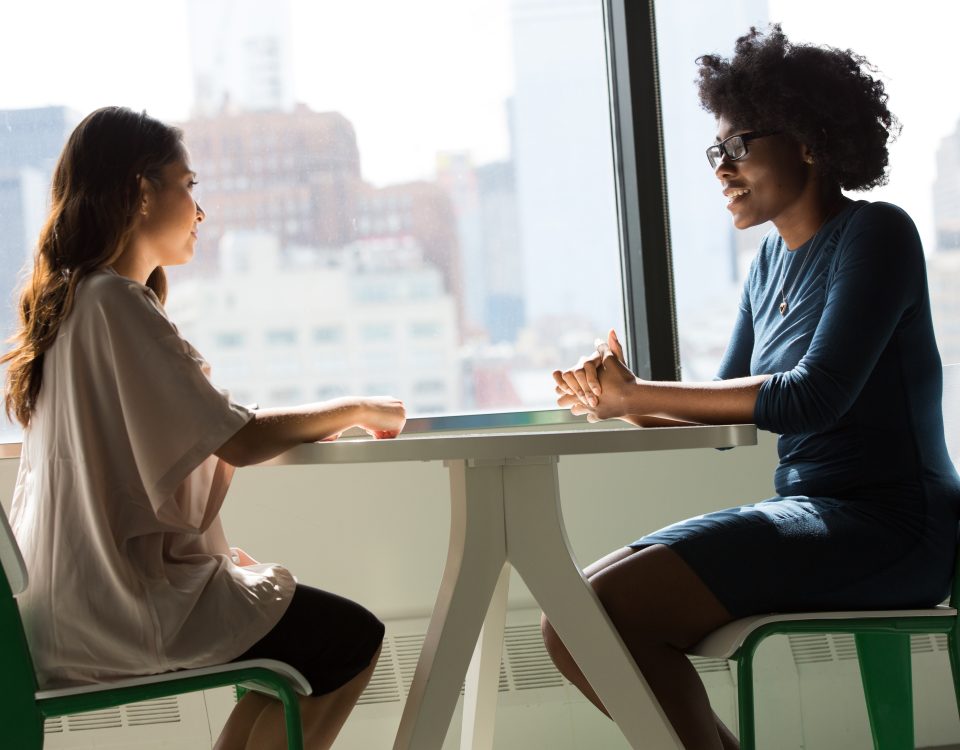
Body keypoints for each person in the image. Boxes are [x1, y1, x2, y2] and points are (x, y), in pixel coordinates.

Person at [544, 25, 960, 750]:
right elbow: (726, 415)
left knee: (603, 615)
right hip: (812, 511)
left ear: (806, 139)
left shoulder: (878, 235)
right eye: (717, 151)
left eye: (737, 147)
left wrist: (640, 395)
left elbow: (811, 397)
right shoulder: (767, 263)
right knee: (571, 619)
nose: (721, 168)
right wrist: (614, 397)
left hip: (894, 525)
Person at [4, 106, 407, 750]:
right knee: (349, 639)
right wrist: (354, 408)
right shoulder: (112, 303)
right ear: (141, 191)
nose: (200, 209)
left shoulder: (76, 305)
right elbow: (237, 439)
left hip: (66, 608)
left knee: (288, 657)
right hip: (114, 610)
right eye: (188, 186)